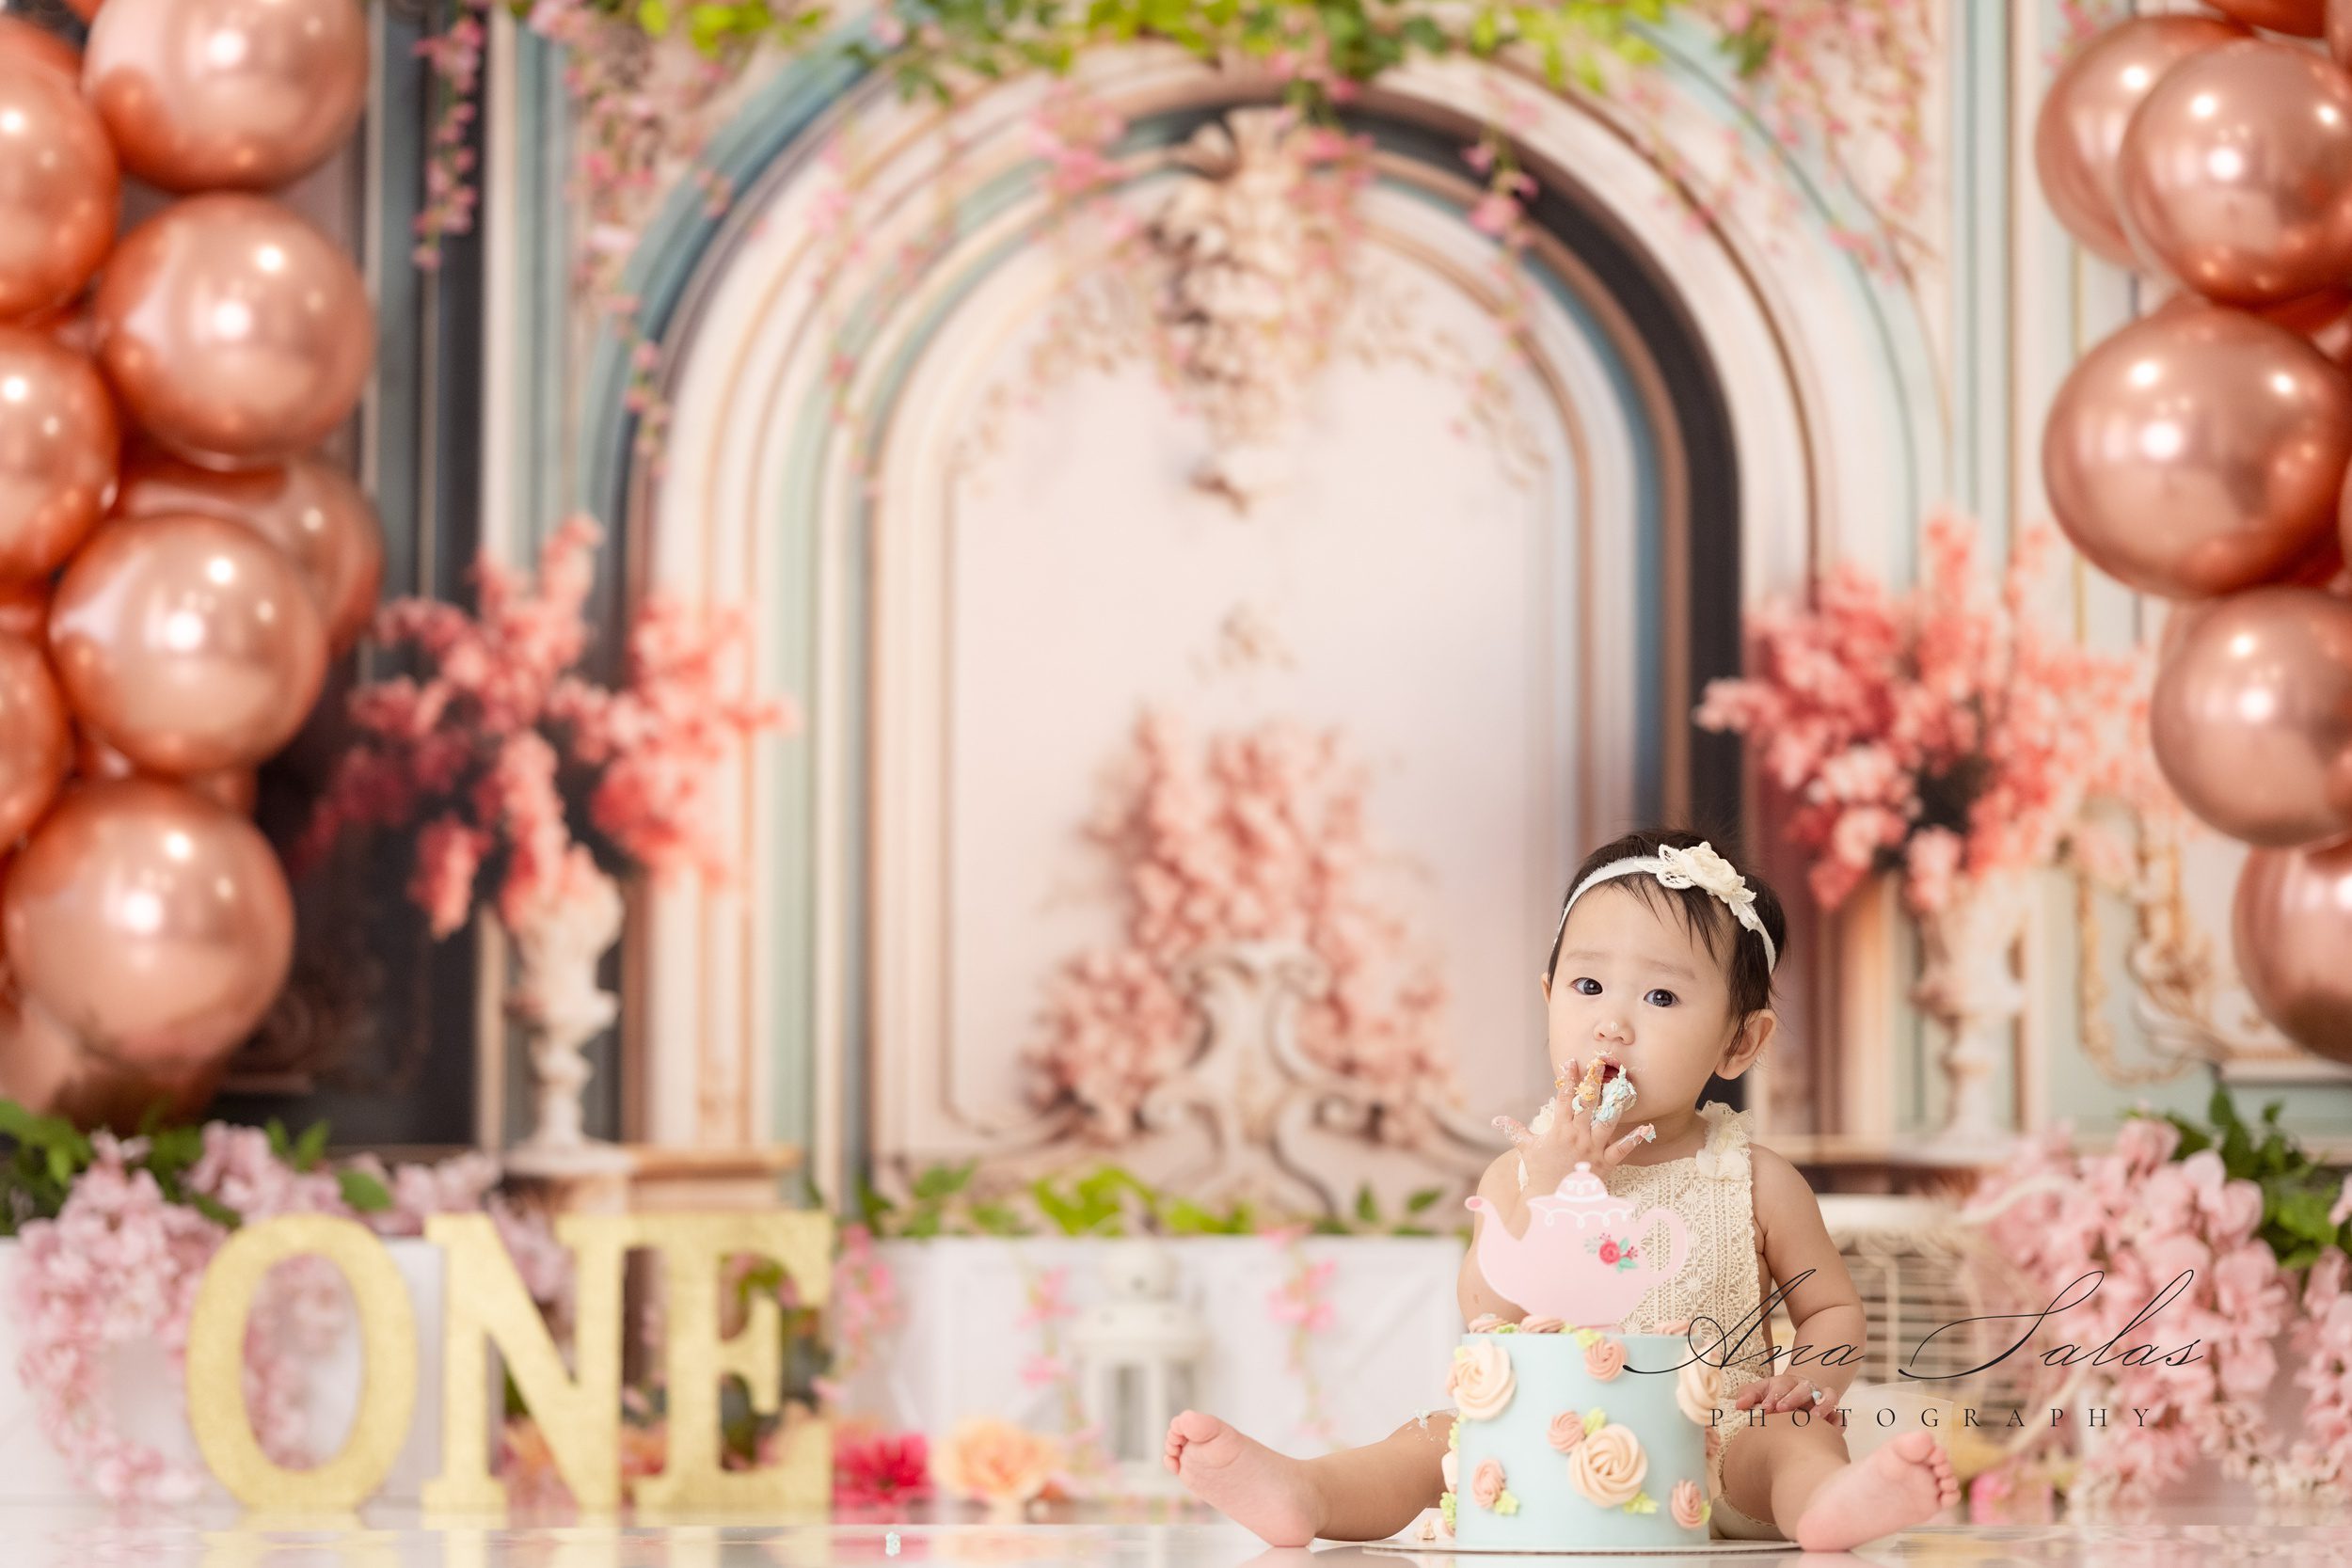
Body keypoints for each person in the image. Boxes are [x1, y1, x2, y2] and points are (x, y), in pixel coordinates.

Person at [1163, 827, 1961, 1551]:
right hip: (1543, 1443)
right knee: (1432, 1439)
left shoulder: (1755, 1179)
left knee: (1796, 1444)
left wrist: (1809, 1379)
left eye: (1661, 997)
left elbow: (1830, 1307)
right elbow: (1487, 1315)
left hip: (1716, 1442)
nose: (1613, 1023)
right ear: (1548, 998)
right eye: (1588, 988)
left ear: (1739, 1039)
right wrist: (1549, 1193)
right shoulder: (1516, 1170)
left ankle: (1826, 1503)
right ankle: (1308, 1491)